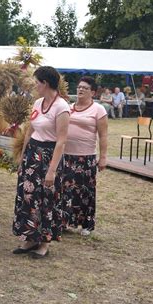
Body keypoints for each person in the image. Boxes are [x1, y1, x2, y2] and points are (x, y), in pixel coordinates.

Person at [12, 65, 70, 258]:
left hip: (48, 156)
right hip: (32, 154)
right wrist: (22, 154)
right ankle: (30, 238)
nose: (35, 85)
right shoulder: (38, 103)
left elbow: (61, 140)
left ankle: (44, 243)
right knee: (28, 196)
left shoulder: (62, 107)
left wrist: (52, 170)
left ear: (45, 83)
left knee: (46, 199)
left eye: (37, 82)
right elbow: (30, 129)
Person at [62, 77, 108, 236]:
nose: (80, 90)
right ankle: (66, 221)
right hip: (66, 156)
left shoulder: (98, 109)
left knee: (85, 192)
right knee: (66, 190)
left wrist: (103, 157)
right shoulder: (68, 107)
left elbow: (103, 135)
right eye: (79, 87)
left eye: (85, 88)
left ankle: (86, 224)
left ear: (93, 92)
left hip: (85, 157)